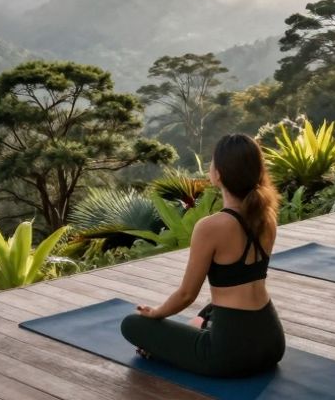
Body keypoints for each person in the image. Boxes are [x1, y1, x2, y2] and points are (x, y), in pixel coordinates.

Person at [121, 133, 285, 377]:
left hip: (230, 354)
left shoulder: (211, 227)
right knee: (212, 308)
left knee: (132, 324)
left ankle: (184, 339)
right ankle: (201, 325)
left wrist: (155, 313)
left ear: (218, 174)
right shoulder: (267, 217)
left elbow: (187, 295)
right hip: (272, 343)